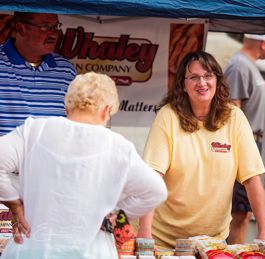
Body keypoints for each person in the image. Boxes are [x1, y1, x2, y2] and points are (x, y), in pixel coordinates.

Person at [0, 72, 168, 259]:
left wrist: (14, 203)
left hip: (30, 251)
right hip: (92, 253)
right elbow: (155, 191)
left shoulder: (34, 131)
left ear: (67, 106)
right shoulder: (117, 146)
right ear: (106, 110)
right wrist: (119, 214)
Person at [137, 50, 265, 249]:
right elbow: (153, 176)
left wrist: (264, 232)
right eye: (194, 77)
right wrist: (145, 233)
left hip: (214, 243)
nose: (202, 83)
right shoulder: (168, 116)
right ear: (183, 84)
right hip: (166, 242)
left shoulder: (235, 118)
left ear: (218, 80)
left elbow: (252, 179)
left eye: (208, 76)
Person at [224, 34, 265, 244]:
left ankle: (240, 250)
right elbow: (232, 109)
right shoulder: (238, 66)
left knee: (248, 210)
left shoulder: (248, 65)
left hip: (258, 144)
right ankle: (234, 252)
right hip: (246, 145)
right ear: (263, 43)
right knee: (240, 211)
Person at [0, 11, 76, 136]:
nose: (54, 34)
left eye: (56, 27)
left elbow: (73, 122)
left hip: (51, 154)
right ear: (21, 29)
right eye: (45, 27)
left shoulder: (66, 71)